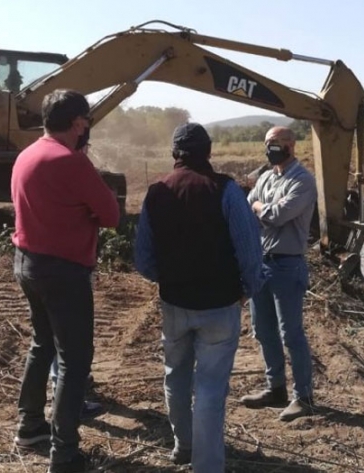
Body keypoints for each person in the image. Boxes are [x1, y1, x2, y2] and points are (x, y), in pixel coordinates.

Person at [134, 123, 263, 472]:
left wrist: (170, 280)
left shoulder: (157, 191)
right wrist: (248, 290)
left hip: (174, 304)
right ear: (209, 152)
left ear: (175, 153)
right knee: (210, 385)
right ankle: (207, 466)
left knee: (175, 374)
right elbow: (250, 250)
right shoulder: (226, 190)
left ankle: (183, 447)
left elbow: (143, 258)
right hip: (220, 306)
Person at [10, 89, 120, 473]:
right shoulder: (71, 162)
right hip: (63, 270)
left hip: (27, 263)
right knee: (75, 361)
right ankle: (65, 453)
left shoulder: (27, 154)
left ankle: (30, 426)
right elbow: (110, 214)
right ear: (77, 123)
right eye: (85, 121)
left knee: (42, 344)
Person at [241, 126, 317, 422]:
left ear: (291, 145)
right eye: (267, 143)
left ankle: (304, 397)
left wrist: (259, 205)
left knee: (291, 334)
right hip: (261, 263)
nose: (271, 147)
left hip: (287, 265)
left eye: (276, 142)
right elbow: (250, 212)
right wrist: (261, 208)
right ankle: (276, 388)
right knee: (263, 330)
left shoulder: (303, 181)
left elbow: (275, 216)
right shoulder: (266, 177)